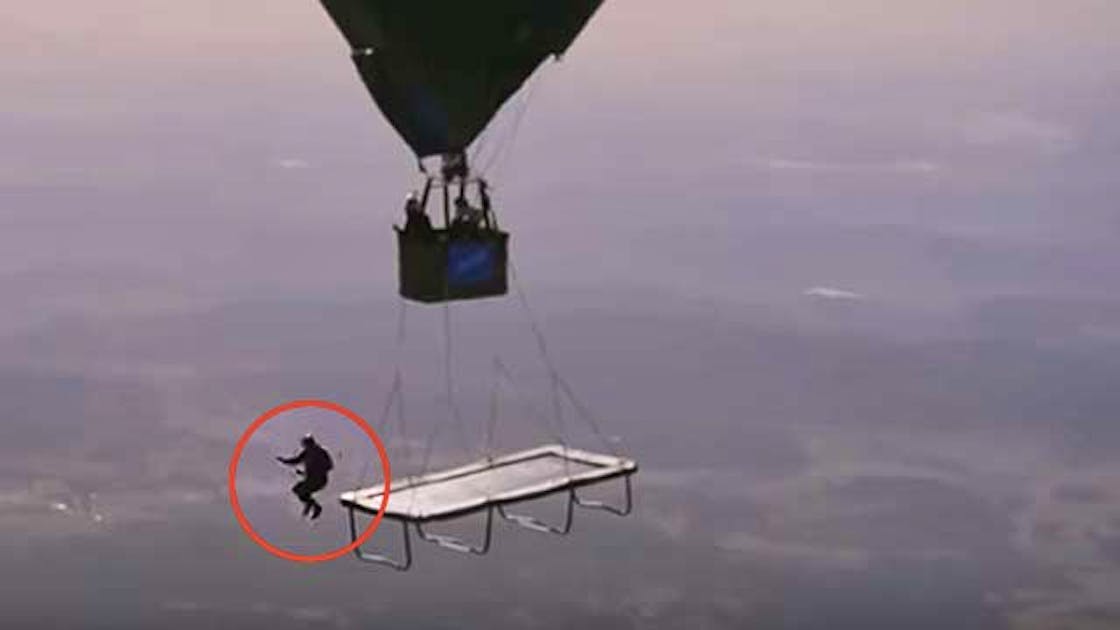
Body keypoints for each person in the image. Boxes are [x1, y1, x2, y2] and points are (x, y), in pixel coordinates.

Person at [276, 434, 333, 520]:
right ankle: (311, 504)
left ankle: (314, 506)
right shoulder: (306, 453)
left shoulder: (321, 452)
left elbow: (329, 466)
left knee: (301, 490)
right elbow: (296, 460)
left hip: (319, 480)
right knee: (298, 490)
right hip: (311, 479)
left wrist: (318, 470)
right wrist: (284, 461)